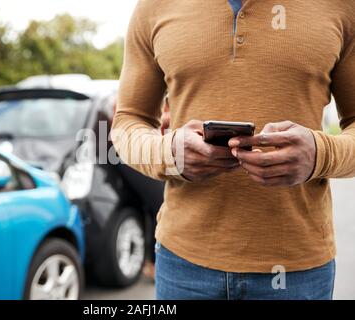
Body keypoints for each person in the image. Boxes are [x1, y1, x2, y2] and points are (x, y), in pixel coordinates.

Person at [112, 0, 355, 300]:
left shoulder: (342, 6)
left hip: (297, 271)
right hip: (182, 265)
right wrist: (169, 153)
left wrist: (320, 154)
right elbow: (127, 122)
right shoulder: (154, 6)